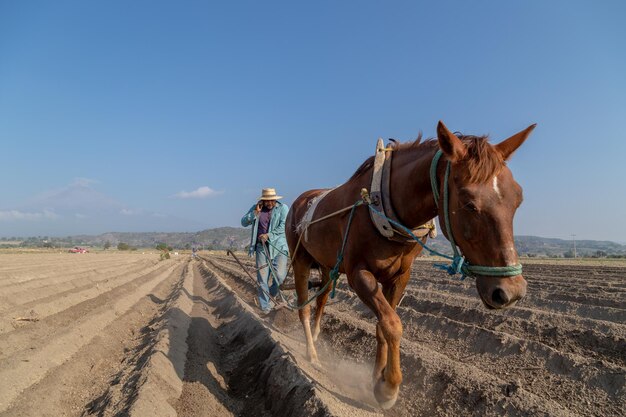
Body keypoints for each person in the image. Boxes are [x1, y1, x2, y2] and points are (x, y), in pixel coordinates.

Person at [241, 188, 289, 314]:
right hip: (261, 248)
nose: (270, 203)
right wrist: (255, 214)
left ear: (275, 199)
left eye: (272, 200)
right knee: (262, 278)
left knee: (280, 277)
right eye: (267, 200)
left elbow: (283, 227)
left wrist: (269, 235)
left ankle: (271, 299)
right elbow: (243, 222)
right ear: (263, 200)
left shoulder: (283, 208)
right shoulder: (256, 208)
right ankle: (265, 307)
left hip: (279, 248)